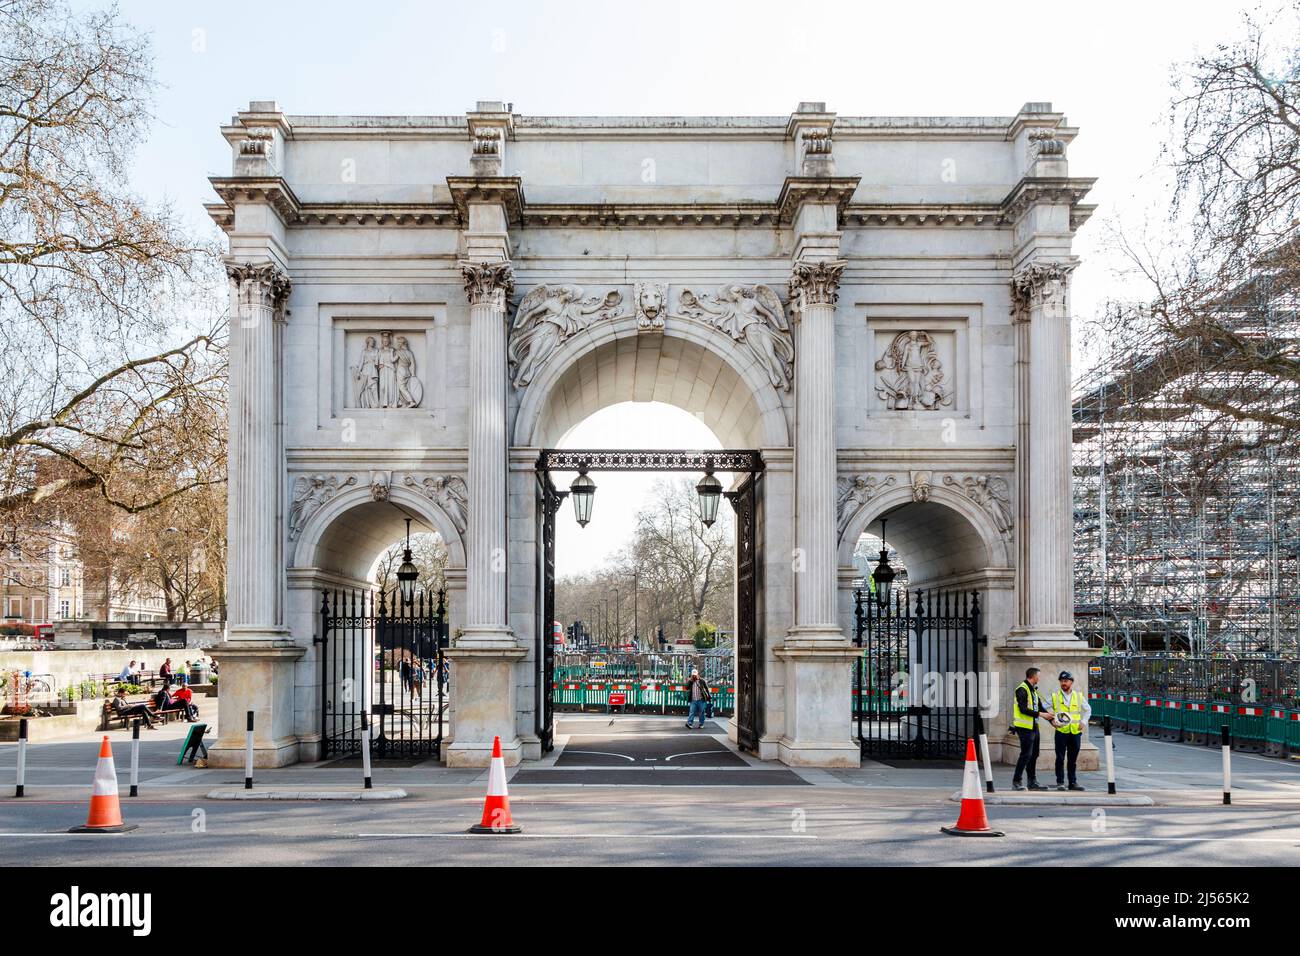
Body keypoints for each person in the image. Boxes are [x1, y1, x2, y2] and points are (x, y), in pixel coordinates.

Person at [1012, 667, 1055, 791]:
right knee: (1026, 755)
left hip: (1033, 727)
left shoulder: (1033, 691)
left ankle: (1032, 782)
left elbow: (1040, 708)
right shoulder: (1022, 689)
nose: (1040, 678)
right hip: (1024, 727)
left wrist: (1052, 721)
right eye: (1039, 676)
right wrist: (1042, 715)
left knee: (1034, 754)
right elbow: (1023, 709)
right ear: (1033, 676)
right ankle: (1016, 781)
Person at [1051, 671, 1090, 791]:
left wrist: (1083, 721)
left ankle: (1073, 782)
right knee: (1060, 758)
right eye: (1062, 681)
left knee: (1072, 760)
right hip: (1061, 732)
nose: (1063, 683)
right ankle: (1060, 782)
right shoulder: (1055, 696)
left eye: (1066, 681)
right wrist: (1052, 720)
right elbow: (1044, 707)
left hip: (1075, 732)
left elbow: (1088, 710)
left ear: (1071, 682)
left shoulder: (1078, 696)